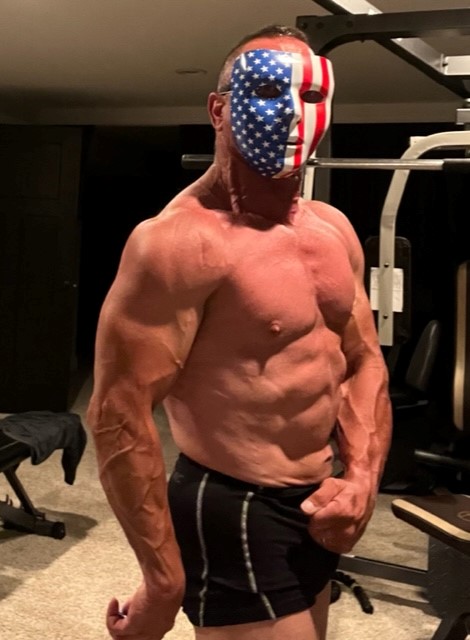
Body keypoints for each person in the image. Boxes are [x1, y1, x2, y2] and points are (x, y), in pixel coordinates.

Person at [87, 23, 392, 640]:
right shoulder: (177, 243)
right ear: (219, 110)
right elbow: (118, 414)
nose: (293, 113)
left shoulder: (332, 229)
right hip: (234, 502)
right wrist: (162, 582)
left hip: (316, 495)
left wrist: (361, 477)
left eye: (311, 95)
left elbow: (362, 361)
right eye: (270, 92)